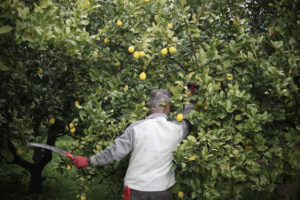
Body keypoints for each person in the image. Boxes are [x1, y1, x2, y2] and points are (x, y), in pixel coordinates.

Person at [67, 89, 193, 200]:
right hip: (162, 190)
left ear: (149, 105)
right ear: (168, 107)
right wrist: (189, 99)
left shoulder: (136, 128)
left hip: (136, 189)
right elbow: (188, 120)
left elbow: (114, 152)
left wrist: (89, 161)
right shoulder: (177, 130)